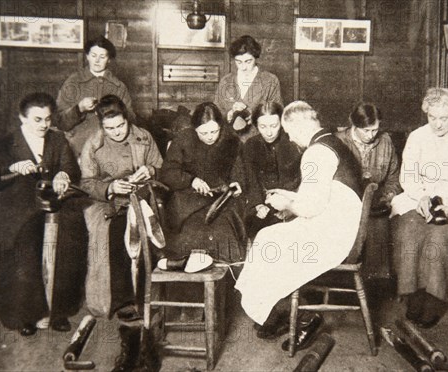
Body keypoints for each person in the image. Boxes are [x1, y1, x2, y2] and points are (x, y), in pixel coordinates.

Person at [236, 101, 363, 351]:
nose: (291, 139)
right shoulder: (334, 141)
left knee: (268, 241)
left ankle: (302, 317)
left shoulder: (315, 152)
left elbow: (310, 208)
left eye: (290, 132)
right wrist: (289, 196)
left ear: (300, 125)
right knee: (269, 237)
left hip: (334, 236)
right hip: (342, 225)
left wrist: (286, 203)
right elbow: (324, 195)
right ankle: (279, 311)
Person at [0, 92, 87, 336]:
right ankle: (25, 313)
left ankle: (59, 310)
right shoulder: (5, 142)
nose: (44, 125)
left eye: (48, 119)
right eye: (37, 120)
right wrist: (11, 167)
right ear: (22, 118)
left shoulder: (58, 140)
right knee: (25, 246)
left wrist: (64, 175)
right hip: (17, 206)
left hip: (52, 203)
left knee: (70, 239)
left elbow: (70, 168)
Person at [80, 95, 162, 371]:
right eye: (111, 128)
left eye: (121, 126)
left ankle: (149, 317)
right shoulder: (94, 144)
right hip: (112, 206)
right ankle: (129, 318)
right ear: (102, 125)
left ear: (127, 119)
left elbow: (160, 167)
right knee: (118, 242)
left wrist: (147, 171)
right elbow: (87, 182)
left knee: (149, 244)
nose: (117, 132)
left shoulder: (143, 137)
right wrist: (112, 187)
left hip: (143, 201)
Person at [390, 87, 448, 329]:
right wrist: (421, 196)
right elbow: (407, 176)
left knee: (437, 239)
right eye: (432, 118)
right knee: (408, 232)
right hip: (420, 199)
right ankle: (413, 294)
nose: (438, 124)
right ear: (426, 114)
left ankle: (433, 298)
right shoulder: (417, 137)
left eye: (444, 118)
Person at [159, 102, 246, 263]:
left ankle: (224, 283)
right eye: (203, 133)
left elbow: (239, 171)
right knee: (191, 232)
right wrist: (191, 180)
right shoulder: (183, 139)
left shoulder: (231, 141)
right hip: (189, 201)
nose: (210, 137)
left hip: (221, 202)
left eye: (214, 131)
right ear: (194, 128)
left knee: (223, 230)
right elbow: (167, 172)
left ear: (221, 126)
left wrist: (236, 183)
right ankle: (189, 281)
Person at [336, 102, 401, 279]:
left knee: (379, 227)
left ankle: (375, 285)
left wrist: (388, 195)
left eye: (375, 130)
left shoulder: (385, 141)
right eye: (366, 130)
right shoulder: (339, 142)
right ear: (354, 125)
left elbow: (394, 178)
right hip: (345, 206)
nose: (371, 135)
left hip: (375, 206)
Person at [56, 35, 135, 157]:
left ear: (109, 59)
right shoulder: (73, 83)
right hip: (78, 149)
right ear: (87, 56)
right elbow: (60, 121)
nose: (97, 60)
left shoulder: (118, 86)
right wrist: (79, 109)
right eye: (93, 56)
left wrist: (113, 112)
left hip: (111, 150)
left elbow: (131, 119)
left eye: (102, 57)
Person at [242, 102, 301, 238]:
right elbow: (251, 179)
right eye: (263, 127)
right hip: (264, 201)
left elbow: (301, 180)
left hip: (292, 200)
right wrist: (257, 205)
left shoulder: (293, 143)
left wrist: (290, 206)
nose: (269, 132)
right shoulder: (250, 145)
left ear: (282, 122)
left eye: (274, 126)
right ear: (256, 125)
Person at [214, 35, 282, 143]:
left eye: (248, 61)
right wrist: (229, 113)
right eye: (238, 62)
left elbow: (277, 113)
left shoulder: (270, 80)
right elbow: (216, 113)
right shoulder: (226, 81)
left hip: (259, 141)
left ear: (256, 58)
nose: (243, 67)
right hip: (229, 142)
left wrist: (254, 115)